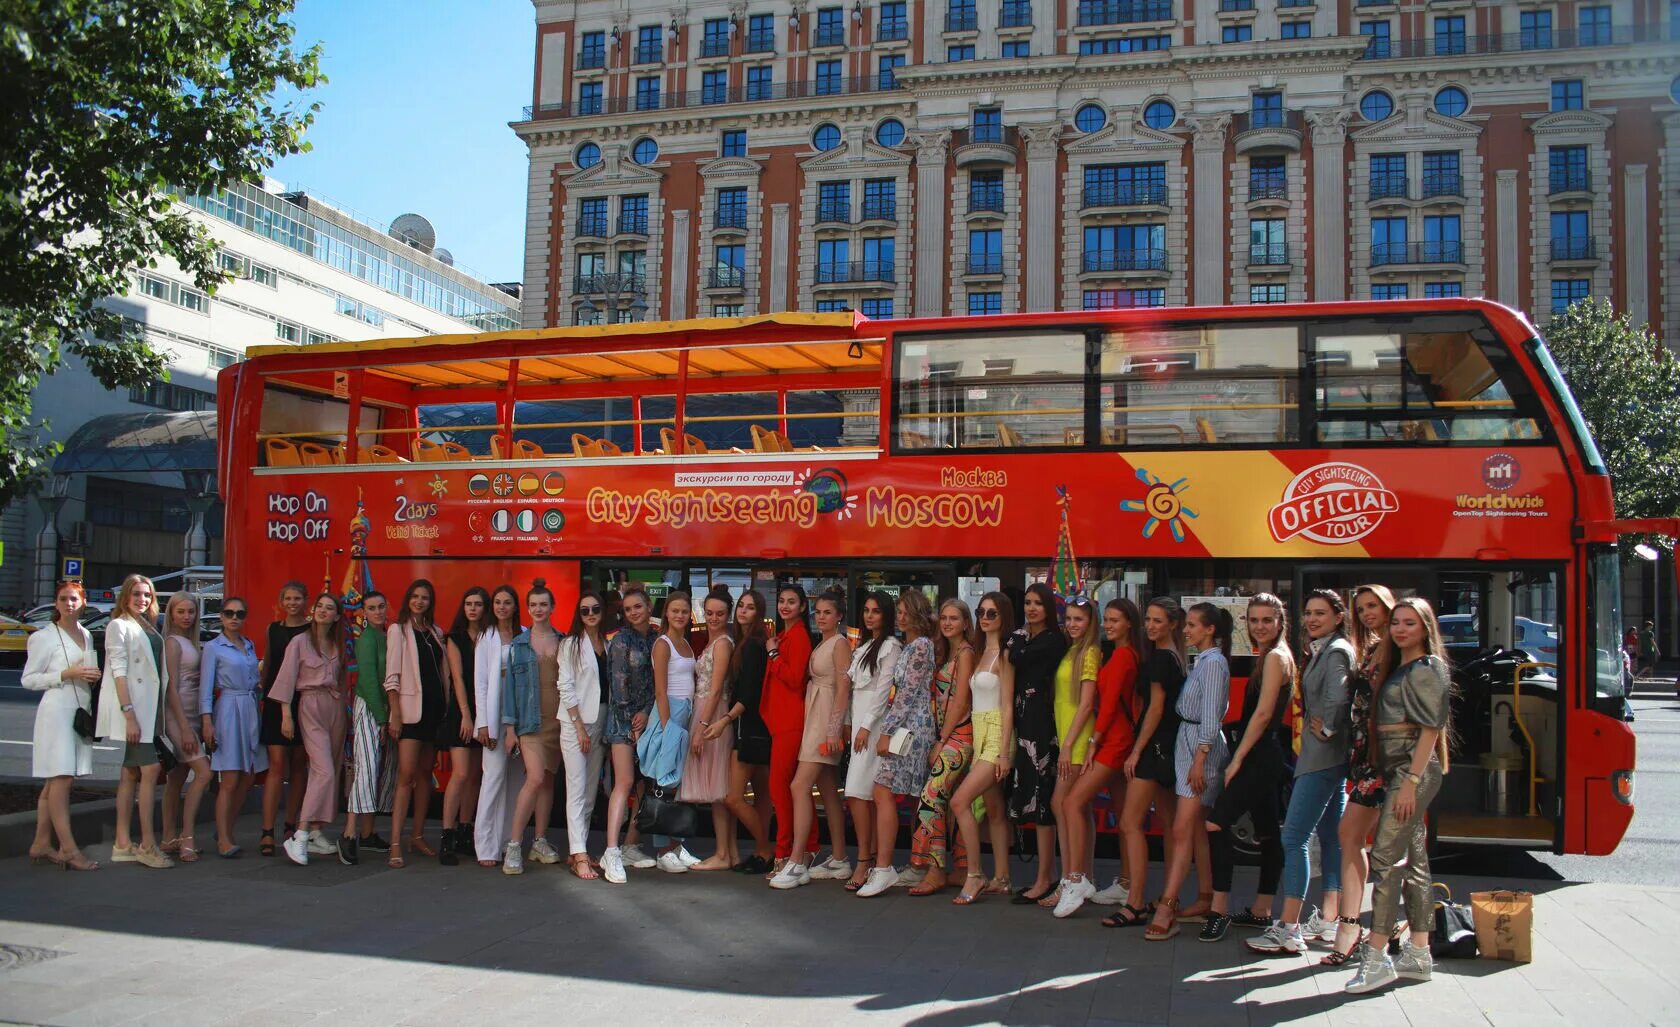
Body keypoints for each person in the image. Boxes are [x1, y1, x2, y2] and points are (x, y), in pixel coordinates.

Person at [1346, 597, 1452, 994]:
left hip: (1410, 773)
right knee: (1415, 861)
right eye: (1397, 623)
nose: (1401, 629)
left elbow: (1430, 730)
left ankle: (1376, 958)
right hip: (1401, 771)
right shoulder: (1405, 666)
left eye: (1410, 622)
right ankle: (1419, 953)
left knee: (1385, 859)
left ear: (1426, 626)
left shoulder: (1427, 668)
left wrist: (1409, 780)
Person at [1251, 589, 1353, 955]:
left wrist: (1326, 729)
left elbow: (1339, 697)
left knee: (1293, 838)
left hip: (1320, 758)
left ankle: (1289, 926)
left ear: (1339, 616)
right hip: (1329, 758)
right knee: (1330, 838)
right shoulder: (1328, 648)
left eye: (1320, 614)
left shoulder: (1337, 651)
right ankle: (1328, 919)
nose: (1311, 619)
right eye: (1308, 613)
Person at [1202, 594, 1295, 941]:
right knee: (1269, 832)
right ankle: (1261, 909)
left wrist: (1237, 758)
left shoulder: (1274, 658)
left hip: (1259, 756)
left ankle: (1219, 909)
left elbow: (1263, 713)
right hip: (1267, 754)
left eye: (1266, 620)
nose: (1259, 627)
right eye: (1253, 620)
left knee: (1215, 822)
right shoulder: (1274, 656)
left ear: (1279, 621)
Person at [1147, 602, 1233, 941]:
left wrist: (1200, 758)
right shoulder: (1204, 661)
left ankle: (1167, 907)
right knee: (1195, 827)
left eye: (1194, 625)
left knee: (1183, 827)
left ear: (1210, 629)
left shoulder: (1213, 664)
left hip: (1199, 746)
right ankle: (1204, 896)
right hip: (1190, 743)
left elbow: (1211, 717)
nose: (1187, 629)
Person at [1054, 597, 1142, 918]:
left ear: (1130, 623)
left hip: (1114, 742)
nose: (1109, 624)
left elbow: (1103, 707)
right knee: (1124, 815)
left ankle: (1077, 879)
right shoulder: (1120, 653)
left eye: (1116, 620)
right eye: (1107, 619)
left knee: (1072, 803)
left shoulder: (1119, 656)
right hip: (1117, 740)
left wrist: (1094, 741)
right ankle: (1127, 882)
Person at [1324, 584, 1397, 966]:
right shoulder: (1371, 647)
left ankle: (1379, 932)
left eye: (1374, 606)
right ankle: (1352, 926)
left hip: (1388, 761)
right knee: (1352, 837)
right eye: (1362, 607)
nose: (1368, 612)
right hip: (1367, 758)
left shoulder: (1398, 648)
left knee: (1375, 845)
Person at [100, 574, 192, 869]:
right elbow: (119, 671)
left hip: (149, 711)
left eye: (147, 595)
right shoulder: (119, 625)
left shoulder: (148, 625)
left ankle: (123, 842)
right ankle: (147, 845)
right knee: (150, 769)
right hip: (135, 711)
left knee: (130, 773)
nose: (142, 599)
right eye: (137, 594)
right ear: (125, 596)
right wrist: (129, 714)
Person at [1107, 598, 1187, 928]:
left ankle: (1136, 902)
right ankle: (1168, 896)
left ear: (1172, 624)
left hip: (1153, 750)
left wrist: (1137, 750)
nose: (1151, 626)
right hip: (1171, 748)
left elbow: (1154, 710)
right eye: (1149, 621)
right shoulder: (1178, 659)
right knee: (1169, 825)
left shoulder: (1158, 661)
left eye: (1158, 621)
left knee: (1129, 823)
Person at [857, 589, 939, 897]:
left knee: (883, 790)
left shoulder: (919, 647)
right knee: (901, 794)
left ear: (917, 614)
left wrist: (887, 732)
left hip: (910, 730)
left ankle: (884, 867)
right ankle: (910, 864)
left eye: (905, 612)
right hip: (911, 728)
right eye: (899, 612)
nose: (900, 617)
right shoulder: (913, 646)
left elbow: (905, 696)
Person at [771, 591, 854, 888]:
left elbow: (844, 688)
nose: (821, 616)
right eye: (818, 612)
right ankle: (840, 858)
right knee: (829, 790)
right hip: (817, 713)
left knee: (799, 785)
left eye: (827, 612)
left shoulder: (839, 643)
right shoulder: (825, 642)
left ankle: (796, 862)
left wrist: (834, 729)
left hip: (824, 718)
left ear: (839, 615)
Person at [23, 581, 101, 871]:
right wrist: (65, 674)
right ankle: (69, 848)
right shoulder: (44, 637)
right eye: (63, 599)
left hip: (79, 709)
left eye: (74, 599)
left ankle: (41, 843)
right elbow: (29, 679)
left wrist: (89, 677)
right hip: (56, 710)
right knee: (61, 778)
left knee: (53, 782)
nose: (69, 604)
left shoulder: (86, 634)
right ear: (56, 603)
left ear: (82, 603)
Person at [903, 597, 976, 895]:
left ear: (965, 623)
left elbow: (960, 702)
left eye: (954, 618)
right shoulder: (947, 651)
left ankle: (935, 871)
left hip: (958, 736)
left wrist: (941, 740)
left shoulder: (966, 653)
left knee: (931, 797)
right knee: (949, 799)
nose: (947, 623)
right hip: (948, 734)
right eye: (944, 618)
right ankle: (960, 868)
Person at [950, 591, 1018, 905]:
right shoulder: (980, 652)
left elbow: (1007, 706)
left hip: (996, 735)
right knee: (994, 810)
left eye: (992, 613)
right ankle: (1002, 878)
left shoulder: (1005, 654)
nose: (985, 618)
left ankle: (975, 873)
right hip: (980, 732)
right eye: (981, 612)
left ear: (1004, 617)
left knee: (960, 801)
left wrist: (1004, 752)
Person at [273, 593, 349, 866]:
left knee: (334, 769)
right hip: (310, 704)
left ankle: (317, 830)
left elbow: (341, 680)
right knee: (323, 770)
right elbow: (286, 678)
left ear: (337, 616)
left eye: (330, 608)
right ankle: (300, 834)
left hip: (335, 706)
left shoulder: (336, 643)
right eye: (320, 606)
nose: (323, 611)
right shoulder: (299, 642)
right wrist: (286, 715)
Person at [383, 579, 451, 868]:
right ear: (407, 599)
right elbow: (392, 676)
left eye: (424, 597)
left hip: (434, 713)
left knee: (426, 775)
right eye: (415, 596)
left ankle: (418, 835)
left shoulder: (435, 632)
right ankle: (396, 842)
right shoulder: (398, 630)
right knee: (406, 775)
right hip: (410, 713)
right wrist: (395, 713)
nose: (419, 602)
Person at [1007, 582, 1068, 904]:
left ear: (1049, 609)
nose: (1031, 608)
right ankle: (1044, 876)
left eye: (1038, 604)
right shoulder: (1032, 638)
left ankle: (1046, 877)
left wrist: (1016, 639)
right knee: (1036, 801)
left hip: (1043, 730)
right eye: (1027, 602)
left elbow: (1018, 656)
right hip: (1026, 727)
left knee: (1045, 803)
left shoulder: (1051, 640)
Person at [501, 580, 566, 874]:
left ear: (552, 607)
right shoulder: (518, 644)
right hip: (530, 722)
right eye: (534, 605)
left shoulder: (564, 641)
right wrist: (510, 728)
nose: (538, 609)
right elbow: (510, 690)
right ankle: (514, 844)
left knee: (548, 781)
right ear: (528, 609)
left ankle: (539, 841)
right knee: (535, 778)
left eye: (543, 604)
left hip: (559, 723)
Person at [1042, 595, 1101, 911]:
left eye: (1079, 619)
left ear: (1091, 623)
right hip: (1070, 737)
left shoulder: (1089, 653)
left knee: (1062, 803)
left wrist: (1067, 746)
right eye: (1070, 618)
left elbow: (1088, 703)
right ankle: (1081, 877)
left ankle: (1073, 879)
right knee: (1079, 809)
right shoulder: (1073, 650)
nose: (1073, 624)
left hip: (1076, 741)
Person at [842, 590, 902, 891]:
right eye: (866, 610)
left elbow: (883, 690)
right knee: (864, 794)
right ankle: (872, 858)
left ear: (887, 615)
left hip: (876, 727)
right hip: (861, 726)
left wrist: (865, 727)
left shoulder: (890, 646)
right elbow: (855, 692)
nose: (869, 615)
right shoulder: (864, 645)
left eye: (876, 611)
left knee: (857, 791)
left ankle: (867, 859)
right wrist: (851, 724)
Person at [637, 591, 701, 873]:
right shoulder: (663, 644)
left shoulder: (685, 642)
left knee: (676, 784)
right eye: (675, 611)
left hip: (684, 713)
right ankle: (663, 850)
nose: (679, 615)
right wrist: (667, 728)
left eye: (684, 611)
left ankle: (675, 845)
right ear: (667, 614)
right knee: (663, 785)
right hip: (669, 714)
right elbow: (661, 690)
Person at [200, 596, 266, 858]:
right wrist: (207, 721)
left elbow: (255, 679)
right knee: (229, 777)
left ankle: (225, 826)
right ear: (221, 617)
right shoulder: (214, 648)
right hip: (228, 709)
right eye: (229, 613)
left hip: (249, 707)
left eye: (239, 614)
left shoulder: (248, 645)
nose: (234, 618)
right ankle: (224, 838)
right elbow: (205, 689)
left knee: (249, 775)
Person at [600, 586, 658, 883]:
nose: (634, 612)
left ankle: (631, 844)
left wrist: (647, 713)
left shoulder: (656, 637)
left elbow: (657, 684)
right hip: (624, 723)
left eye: (638, 606)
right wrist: (632, 726)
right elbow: (618, 687)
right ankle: (611, 852)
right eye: (628, 608)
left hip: (647, 720)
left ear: (649, 607)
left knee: (644, 784)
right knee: (623, 783)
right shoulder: (621, 641)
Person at [763, 584, 818, 875]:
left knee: (780, 788)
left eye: (792, 602)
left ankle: (785, 854)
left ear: (802, 607)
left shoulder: (796, 638)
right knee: (791, 789)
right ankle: (808, 846)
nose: (785, 606)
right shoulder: (785, 635)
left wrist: (773, 655)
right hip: (782, 721)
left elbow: (795, 679)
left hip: (790, 722)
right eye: (782, 600)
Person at [682, 590, 738, 871]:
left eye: (720, 613)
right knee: (718, 790)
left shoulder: (723, 644)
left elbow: (716, 690)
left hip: (711, 715)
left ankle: (722, 853)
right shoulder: (715, 642)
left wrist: (702, 727)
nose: (714, 618)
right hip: (708, 712)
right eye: (710, 613)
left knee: (718, 791)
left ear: (728, 615)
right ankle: (730, 853)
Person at [720, 590, 774, 873]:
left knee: (734, 797)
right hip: (760, 727)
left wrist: (724, 720)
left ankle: (765, 848)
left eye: (750, 607)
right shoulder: (750, 642)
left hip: (747, 727)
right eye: (741, 605)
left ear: (758, 612)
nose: (743, 610)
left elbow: (749, 693)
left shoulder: (752, 645)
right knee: (763, 795)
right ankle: (761, 854)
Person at [156, 593, 213, 864]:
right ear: (171, 614)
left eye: (191, 611)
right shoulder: (172, 644)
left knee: (176, 779)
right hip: (178, 718)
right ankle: (187, 837)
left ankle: (168, 838)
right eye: (181, 611)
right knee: (203, 773)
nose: (187, 616)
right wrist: (185, 728)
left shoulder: (190, 642)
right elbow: (170, 690)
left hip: (191, 715)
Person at [556, 589, 608, 877]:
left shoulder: (607, 643)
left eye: (595, 609)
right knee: (576, 789)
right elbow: (565, 686)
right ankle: (579, 854)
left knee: (590, 791)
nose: (590, 614)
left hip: (600, 719)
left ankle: (579, 846)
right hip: (575, 723)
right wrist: (578, 727)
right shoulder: (570, 644)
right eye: (585, 610)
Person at [341, 591, 395, 865]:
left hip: (383, 708)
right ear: (364, 611)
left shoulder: (385, 636)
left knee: (378, 770)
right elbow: (371, 680)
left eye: (381, 606)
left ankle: (368, 832)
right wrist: (382, 717)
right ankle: (349, 833)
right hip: (370, 707)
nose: (377, 611)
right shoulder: (366, 640)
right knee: (367, 768)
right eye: (371, 608)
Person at [258, 581, 310, 857]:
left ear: (305, 601)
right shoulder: (273, 630)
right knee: (276, 766)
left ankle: (291, 825)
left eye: (297, 598)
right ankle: (267, 831)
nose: (292, 602)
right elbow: (268, 665)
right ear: (282, 600)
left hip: (303, 702)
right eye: (288, 598)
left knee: (299, 766)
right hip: (276, 701)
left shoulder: (311, 630)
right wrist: (262, 699)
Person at [473, 585, 523, 867]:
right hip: (494, 715)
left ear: (515, 606)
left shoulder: (524, 634)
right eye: (498, 602)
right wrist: (482, 724)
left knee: (516, 781)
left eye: (507, 602)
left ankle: (507, 841)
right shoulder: (485, 637)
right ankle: (485, 845)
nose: (502, 607)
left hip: (518, 716)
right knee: (492, 779)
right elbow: (480, 683)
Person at [440, 588, 489, 865]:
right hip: (461, 713)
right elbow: (457, 679)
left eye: (478, 604)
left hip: (483, 714)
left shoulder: (488, 637)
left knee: (474, 777)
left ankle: (465, 831)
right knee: (459, 774)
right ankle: (447, 836)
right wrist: (467, 716)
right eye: (468, 603)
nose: (473, 608)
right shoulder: (454, 638)